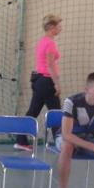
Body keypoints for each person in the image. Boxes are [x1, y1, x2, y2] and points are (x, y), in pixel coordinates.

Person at [15, 14, 63, 151]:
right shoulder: (50, 43)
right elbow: (50, 65)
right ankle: (60, 143)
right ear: (52, 27)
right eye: (58, 26)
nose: (60, 28)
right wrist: (57, 83)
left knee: (34, 112)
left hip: (39, 81)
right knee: (55, 113)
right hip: (46, 82)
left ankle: (21, 141)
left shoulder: (43, 41)